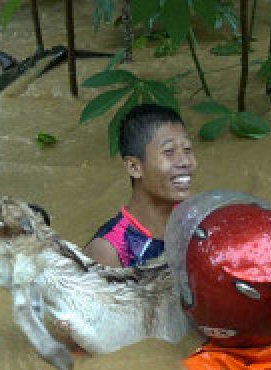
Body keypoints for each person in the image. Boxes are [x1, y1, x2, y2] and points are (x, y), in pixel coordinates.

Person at [83, 103, 196, 268]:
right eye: (169, 151)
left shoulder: (193, 218)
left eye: (187, 149)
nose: (185, 161)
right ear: (134, 167)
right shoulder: (109, 251)